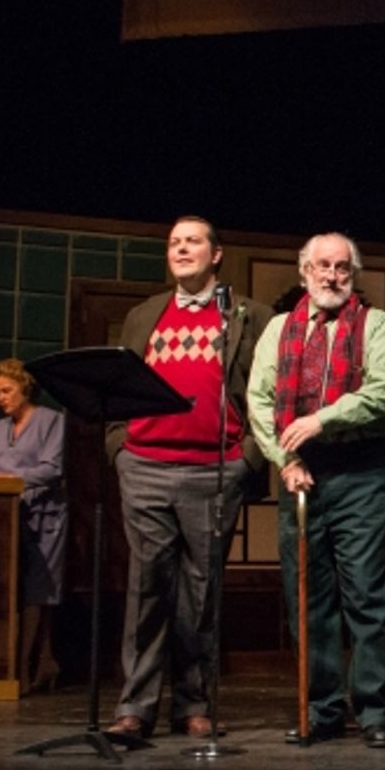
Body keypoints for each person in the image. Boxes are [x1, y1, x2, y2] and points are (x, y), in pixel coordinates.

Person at [105, 216, 274, 739]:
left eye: (193, 241)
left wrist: (247, 460)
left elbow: (266, 393)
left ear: (216, 253)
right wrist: (119, 450)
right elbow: (118, 384)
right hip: (146, 465)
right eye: (175, 243)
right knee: (147, 589)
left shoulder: (250, 316)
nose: (182, 249)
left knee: (200, 597)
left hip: (214, 471)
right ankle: (134, 707)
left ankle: (193, 704)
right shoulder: (143, 315)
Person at [247, 232, 385, 748]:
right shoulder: (278, 329)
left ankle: (375, 708)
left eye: (342, 267)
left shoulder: (374, 324)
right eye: (322, 266)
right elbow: (259, 400)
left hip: (360, 469)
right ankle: (322, 707)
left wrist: (321, 420)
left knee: (364, 593)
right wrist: (285, 459)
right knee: (308, 599)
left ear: (352, 274)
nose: (331, 276)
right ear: (304, 273)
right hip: (302, 473)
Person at [0, 358, 67, 695]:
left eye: (7, 390)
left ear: (24, 388)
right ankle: (43, 661)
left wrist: (11, 477)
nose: (1, 397)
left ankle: (25, 668)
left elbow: (52, 469)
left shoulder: (51, 421)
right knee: (18, 590)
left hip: (46, 516)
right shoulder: (1, 428)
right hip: (12, 516)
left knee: (38, 592)